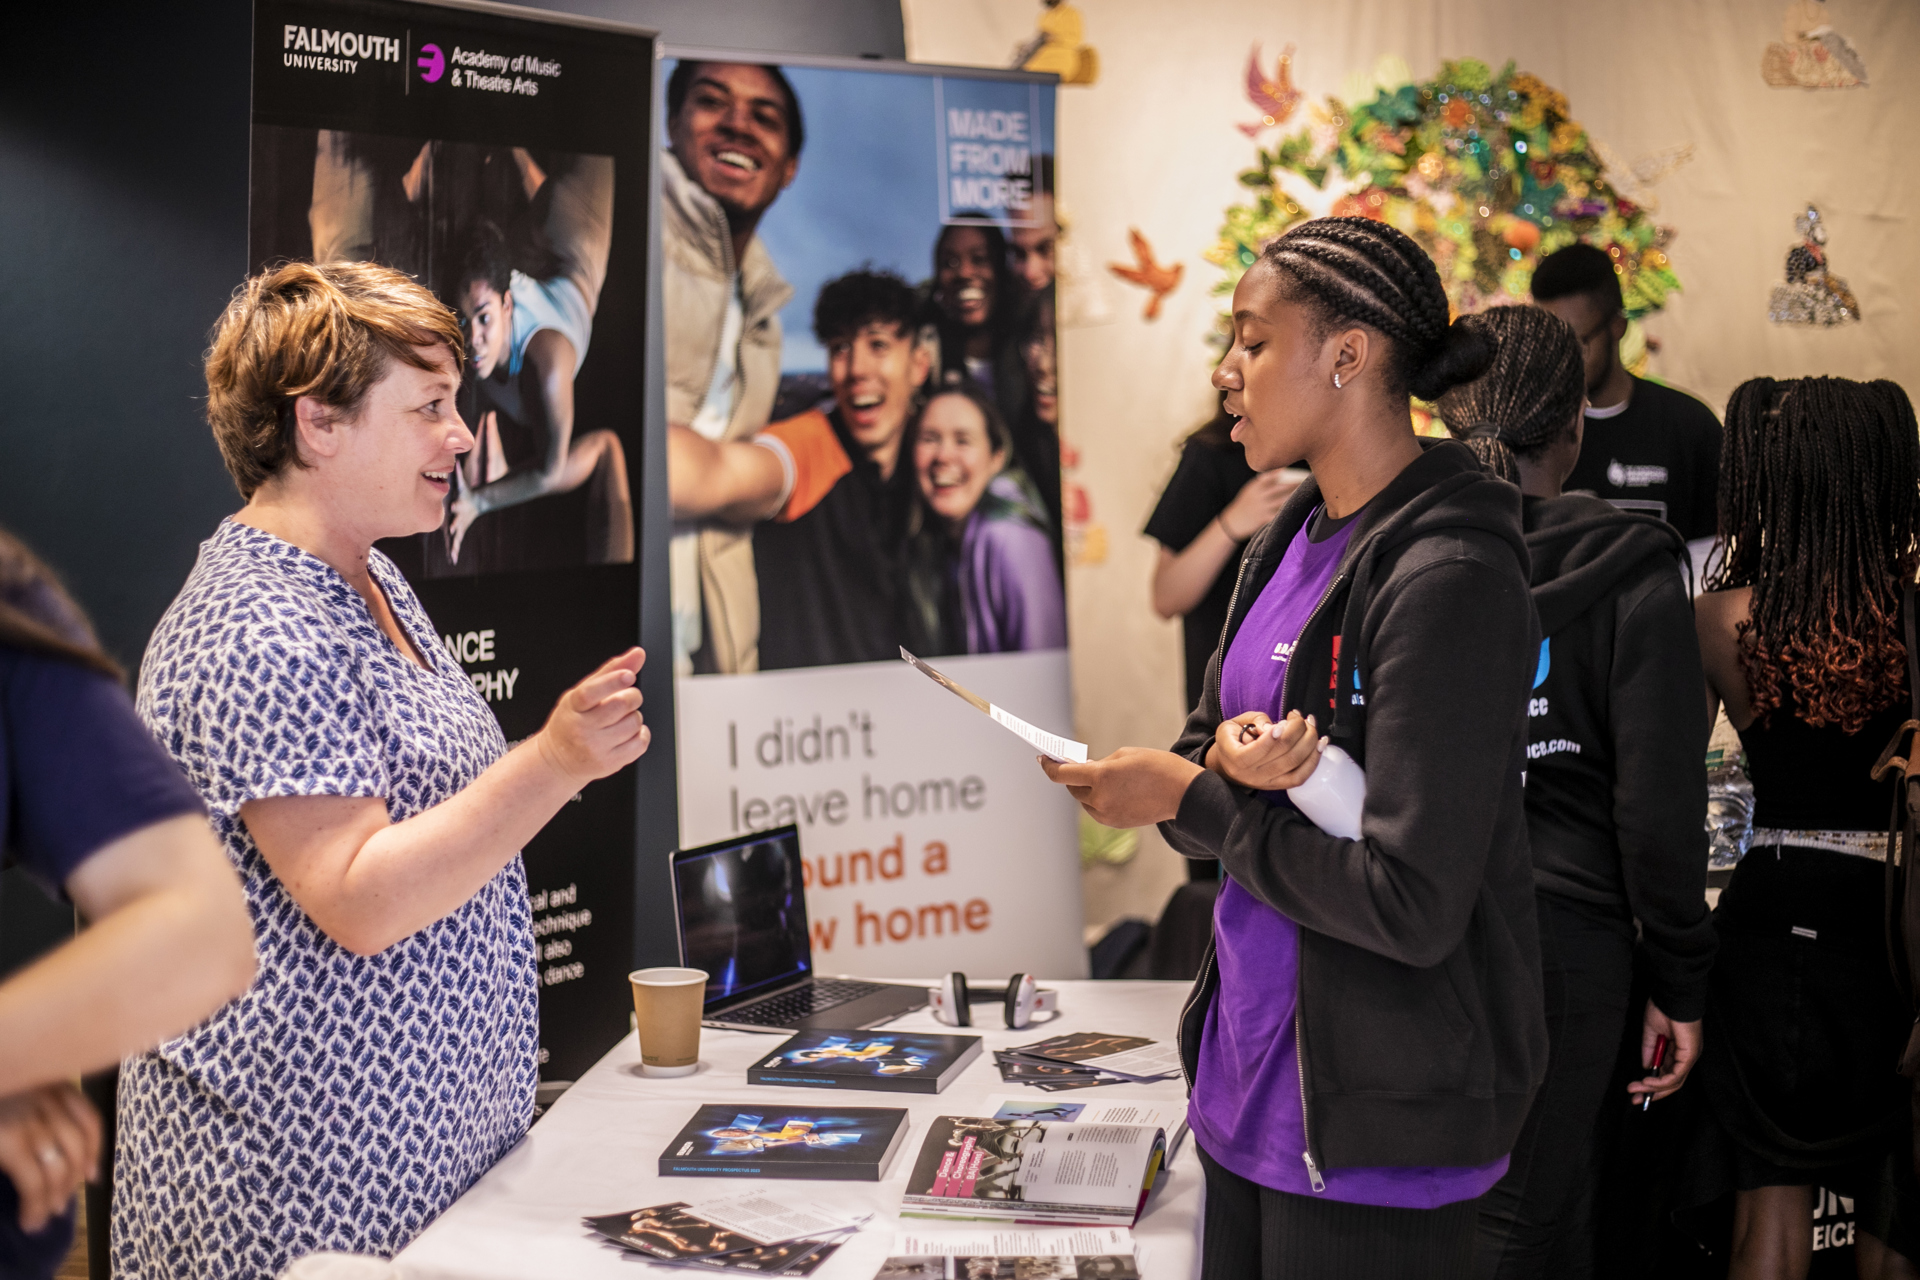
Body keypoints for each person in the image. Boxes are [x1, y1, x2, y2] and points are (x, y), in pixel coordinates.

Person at [113, 261, 651, 1278]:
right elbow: (356, 896)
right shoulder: (254, 624)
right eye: (431, 407)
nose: (460, 433)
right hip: (295, 1202)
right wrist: (554, 760)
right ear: (318, 422)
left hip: (421, 1184)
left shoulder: (374, 576)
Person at [1040, 217, 1547, 1278]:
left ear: (1347, 355)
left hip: (1377, 1126)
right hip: (1247, 1086)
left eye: (1252, 340)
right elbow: (1207, 734)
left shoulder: (1450, 571)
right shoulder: (1293, 529)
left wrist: (1193, 796)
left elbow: (1413, 901)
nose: (1229, 373)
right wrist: (1204, 766)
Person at [1432, 306, 1716, 1278]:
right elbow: (1659, 808)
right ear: (1576, 427)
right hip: (1566, 950)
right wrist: (1681, 978)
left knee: (1420, 1220)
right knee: (1535, 1225)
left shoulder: (1385, 553)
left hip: (1404, 927)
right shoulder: (1635, 569)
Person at [1691, 377, 1920, 1280]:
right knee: (1898, 1206)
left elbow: (1670, 801)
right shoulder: (1914, 618)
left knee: (1768, 1206)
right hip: (1898, 928)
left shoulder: (1717, 620)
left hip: (1768, 916)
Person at [0, 531, 256, 1280]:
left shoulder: (13, 608)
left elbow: (204, 933)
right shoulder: (239, 622)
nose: (460, 435)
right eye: (431, 404)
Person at [661, 60, 803, 675]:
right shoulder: (625, 242)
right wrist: (772, 473)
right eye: (713, 101)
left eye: (765, 117)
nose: (739, 124)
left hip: (712, 660)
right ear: (671, 124)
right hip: (603, 654)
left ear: (789, 167)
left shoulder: (766, 310)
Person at [445, 152, 630, 566]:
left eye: (485, 320)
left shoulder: (546, 368)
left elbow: (549, 471)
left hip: (571, 249)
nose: (473, 340)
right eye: (463, 321)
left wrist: (478, 502)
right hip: (547, 258)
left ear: (507, 305)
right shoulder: (481, 317)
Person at [751, 269, 937, 670]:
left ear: (919, 366)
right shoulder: (809, 445)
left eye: (878, 345)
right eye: (840, 348)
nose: (856, 369)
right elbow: (722, 474)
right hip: (811, 724)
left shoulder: (935, 465)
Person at [1531, 243, 1721, 541]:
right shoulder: (1527, 432)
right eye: (1548, 343)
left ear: (1617, 326)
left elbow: (1710, 559)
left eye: (1577, 343)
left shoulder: (1690, 427)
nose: (1561, 358)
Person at [1145, 394, 1301, 710]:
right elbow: (1165, 597)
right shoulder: (1213, 455)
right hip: (1224, 701)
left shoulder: (1331, 457)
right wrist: (1234, 521)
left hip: (1306, 685)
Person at [908, 384, 1065, 655]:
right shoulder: (937, 540)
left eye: (963, 440)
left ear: (997, 457)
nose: (943, 456)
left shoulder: (1011, 537)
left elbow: (1041, 668)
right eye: (930, 438)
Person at [931, 217, 1032, 452]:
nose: (965, 272)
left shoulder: (1033, 352)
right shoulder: (926, 361)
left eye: (980, 259)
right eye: (950, 262)